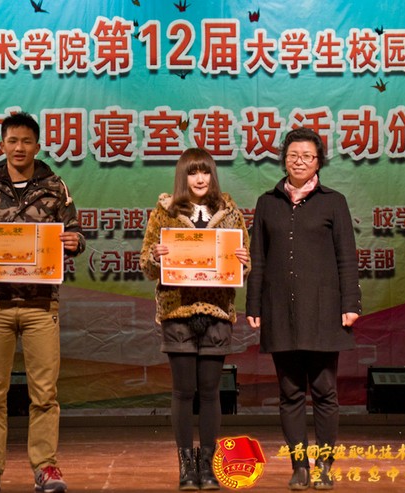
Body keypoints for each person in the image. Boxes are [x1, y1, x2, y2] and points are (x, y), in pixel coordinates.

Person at [0, 112, 85, 493]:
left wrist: (74, 242)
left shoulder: (55, 187)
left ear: (37, 145)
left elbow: (75, 234)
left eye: (26, 141)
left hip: (41, 303)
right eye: (12, 141)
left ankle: (45, 467)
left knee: (44, 392)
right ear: (2, 145)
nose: (19, 148)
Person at [245, 127, 361, 491]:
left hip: (324, 310)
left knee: (325, 391)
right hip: (280, 309)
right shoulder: (267, 203)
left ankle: (324, 464)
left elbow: (347, 257)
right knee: (290, 393)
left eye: (307, 156)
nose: (300, 161)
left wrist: (351, 303)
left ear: (318, 162)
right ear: (284, 159)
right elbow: (258, 258)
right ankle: (299, 467)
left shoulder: (334, 202)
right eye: (293, 155)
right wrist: (253, 303)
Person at [139, 148, 250, 491]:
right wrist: (156, 256)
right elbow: (146, 265)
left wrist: (243, 260)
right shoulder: (165, 211)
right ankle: (186, 466)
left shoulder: (230, 212)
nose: (200, 179)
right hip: (178, 312)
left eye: (205, 172)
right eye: (192, 172)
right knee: (184, 391)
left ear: (212, 175)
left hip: (217, 312)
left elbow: (244, 260)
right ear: (183, 177)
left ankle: (208, 466)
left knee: (211, 392)